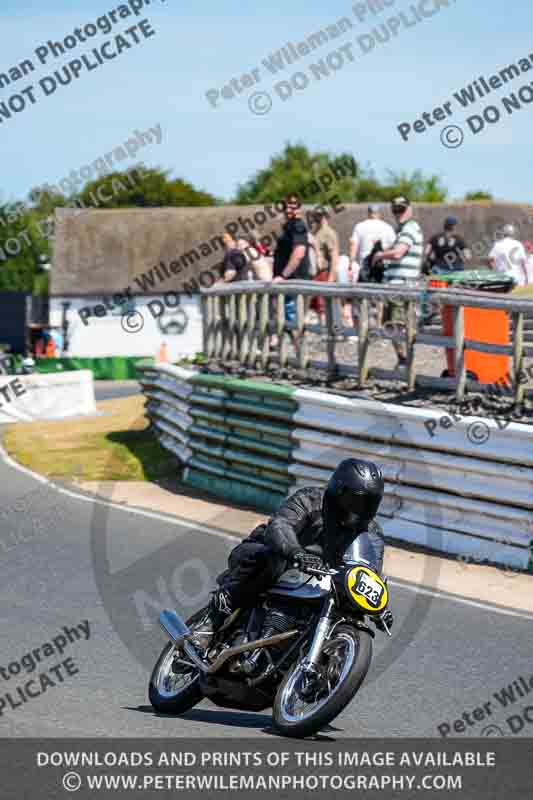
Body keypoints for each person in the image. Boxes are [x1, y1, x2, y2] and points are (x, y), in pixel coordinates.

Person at [195, 458, 392, 645]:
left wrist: (377, 606)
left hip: (317, 581)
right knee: (271, 560)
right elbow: (280, 526)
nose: (361, 508)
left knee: (348, 606)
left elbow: (367, 573)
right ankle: (213, 619)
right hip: (265, 555)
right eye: (356, 501)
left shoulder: (371, 533)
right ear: (339, 490)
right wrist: (297, 553)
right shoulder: (311, 499)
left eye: (370, 502)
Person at [371, 196, 424, 366]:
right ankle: (403, 360)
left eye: (401, 209)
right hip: (394, 285)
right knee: (390, 325)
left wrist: (380, 255)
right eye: (395, 209)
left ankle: (407, 363)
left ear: (410, 209)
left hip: (403, 285)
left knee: (399, 325)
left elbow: (399, 253)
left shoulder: (410, 227)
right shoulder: (401, 230)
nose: (398, 213)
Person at [272, 194, 312, 332]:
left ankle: (298, 345)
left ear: (299, 208)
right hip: (289, 281)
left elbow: (299, 253)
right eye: (286, 206)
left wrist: (283, 275)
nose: (288, 209)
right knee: (287, 324)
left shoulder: (298, 225)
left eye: (293, 206)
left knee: (293, 324)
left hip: (294, 281)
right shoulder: (289, 226)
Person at [307, 209, 340, 324]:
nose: (315, 218)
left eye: (318, 215)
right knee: (316, 308)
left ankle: (327, 330)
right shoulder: (317, 232)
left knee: (324, 309)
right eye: (315, 215)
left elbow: (334, 257)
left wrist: (330, 280)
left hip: (324, 275)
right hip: (316, 275)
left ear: (325, 216)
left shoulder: (328, 233)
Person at [349, 204, 396, 280]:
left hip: (365, 268)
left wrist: (350, 266)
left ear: (368, 213)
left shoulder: (359, 226)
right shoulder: (388, 227)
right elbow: (394, 246)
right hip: (383, 268)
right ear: (379, 214)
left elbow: (353, 246)